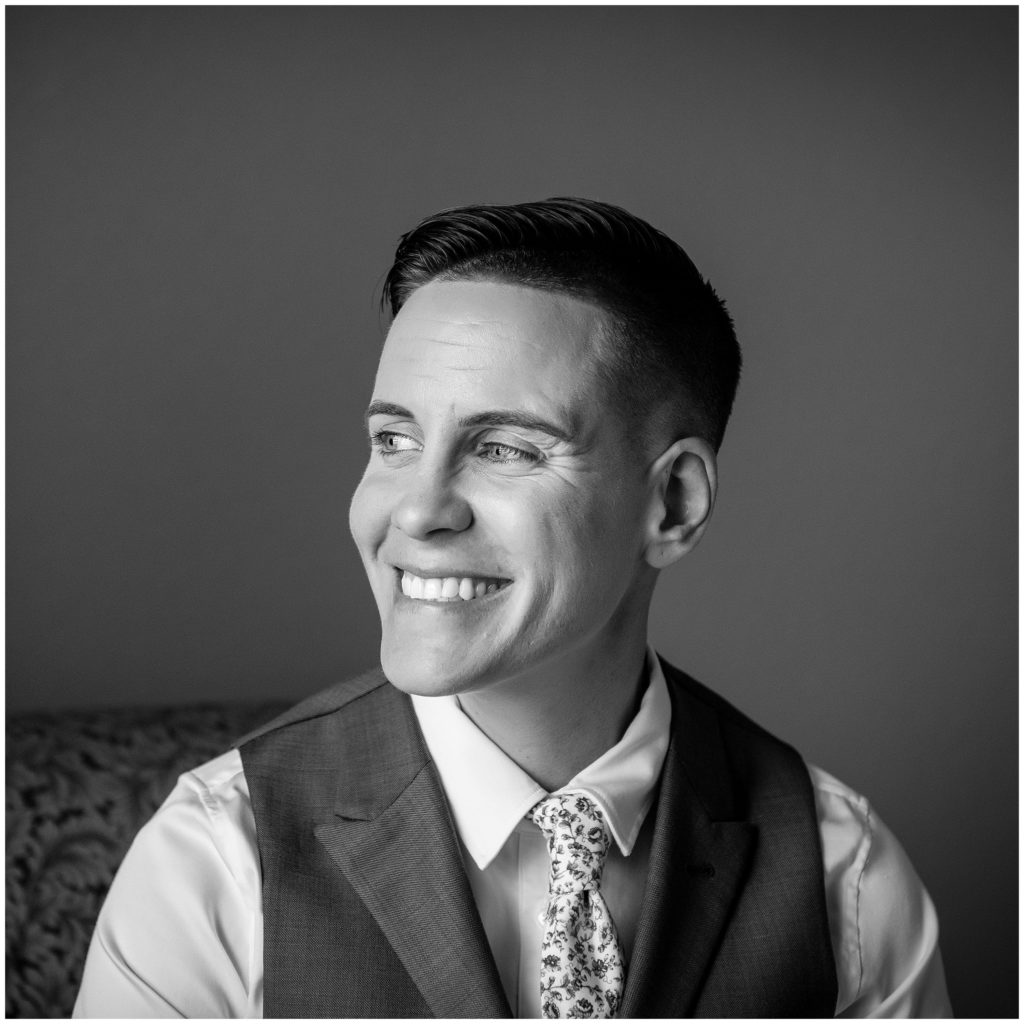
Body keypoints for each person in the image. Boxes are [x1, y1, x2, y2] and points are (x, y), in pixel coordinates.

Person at [74, 198, 952, 1018]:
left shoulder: (844, 875)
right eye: (394, 440)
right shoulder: (217, 858)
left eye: (503, 447)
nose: (416, 511)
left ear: (674, 503)